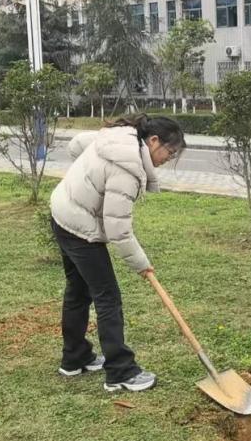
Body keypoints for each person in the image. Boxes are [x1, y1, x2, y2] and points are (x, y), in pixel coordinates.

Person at [49, 114, 185, 392]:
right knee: (107, 297)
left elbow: (76, 144)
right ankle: (120, 372)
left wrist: (89, 179)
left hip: (61, 211)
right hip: (79, 227)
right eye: (169, 152)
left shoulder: (118, 137)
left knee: (78, 290)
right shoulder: (127, 169)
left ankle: (75, 357)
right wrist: (142, 264)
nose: (168, 159)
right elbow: (119, 230)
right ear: (153, 140)